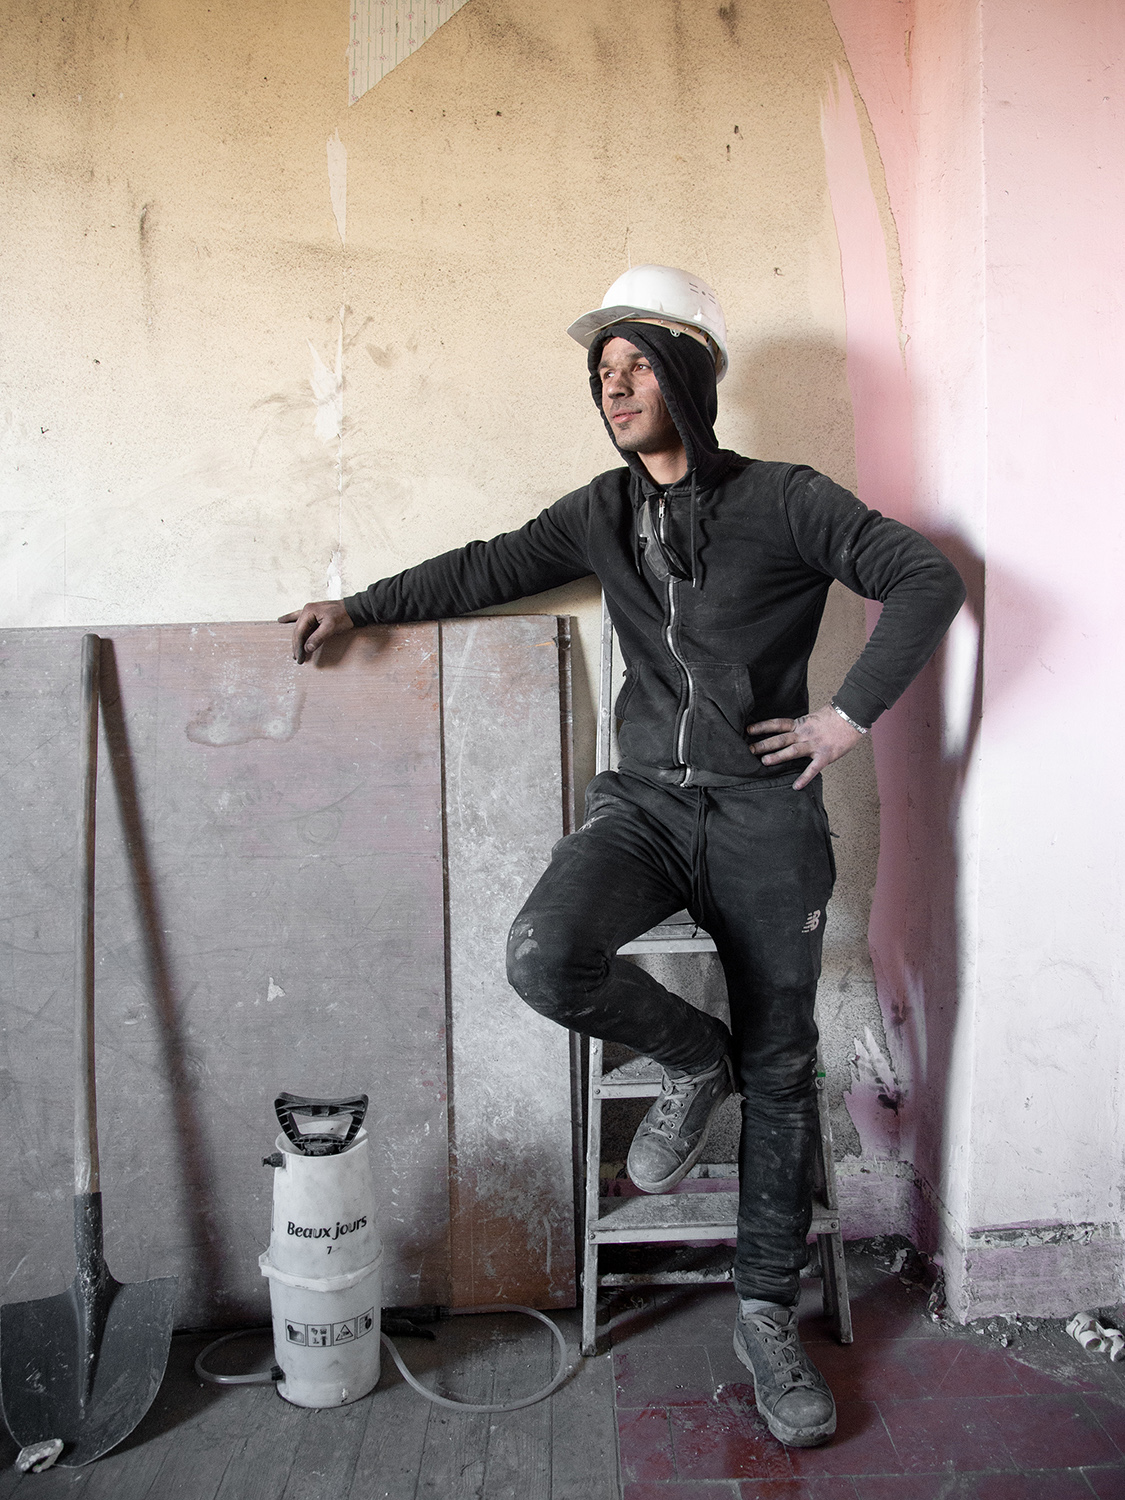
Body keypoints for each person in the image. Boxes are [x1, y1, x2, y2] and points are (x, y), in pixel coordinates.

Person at [281, 265, 965, 1448]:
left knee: (784, 1067)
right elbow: (486, 566)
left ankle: (766, 1316)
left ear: (689, 373)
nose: (616, 386)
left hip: (764, 817)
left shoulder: (787, 498)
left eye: (639, 364)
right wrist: (361, 604)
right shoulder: (602, 511)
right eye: (604, 372)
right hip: (643, 808)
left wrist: (844, 717)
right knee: (543, 955)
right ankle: (696, 1062)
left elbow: (925, 578)